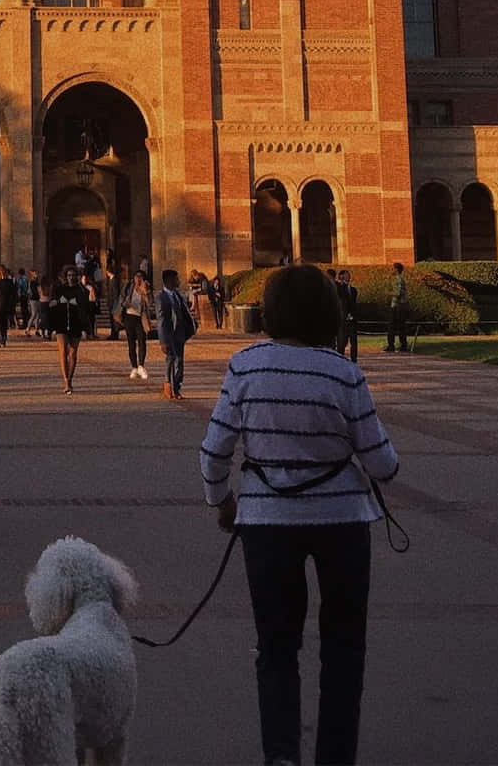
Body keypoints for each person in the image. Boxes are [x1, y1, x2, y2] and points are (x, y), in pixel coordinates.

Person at [200, 264, 400, 766]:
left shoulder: (245, 366)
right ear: (329, 313)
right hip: (343, 524)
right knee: (344, 648)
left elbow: (214, 452)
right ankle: (335, 757)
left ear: (271, 311)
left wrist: (222, 502)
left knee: (276, 647)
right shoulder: (344, 371)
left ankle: (282, 756)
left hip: (267, 525)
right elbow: (382, 463)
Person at [155, 268, 196, 400]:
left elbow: (185, 313)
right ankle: (168, 385)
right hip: (169, 334)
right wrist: (162, 340)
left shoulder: (178, 295)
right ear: (169, 280)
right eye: (176, 279)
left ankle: (176, 387)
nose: (178, 281)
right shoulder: (161, 298)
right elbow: (161, 320)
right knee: (171, 360)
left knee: (179, 361)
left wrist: (192, 327)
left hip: (180, 333)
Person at [49, 269, 88, 394]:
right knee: (63, 351)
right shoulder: (60, 289)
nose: (71, 277)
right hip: (61, 323)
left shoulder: (81, 291)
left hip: (76, 324)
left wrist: (86, 328)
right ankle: (65, 381)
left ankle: (70, 379)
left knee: (72, 353)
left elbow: (85, 310)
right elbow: (52, 304)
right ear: (66, 276)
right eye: (69, 275)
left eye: (73, 275)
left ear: (76, 277)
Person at [119, 268, 155, 381]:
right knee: (131, 342)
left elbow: (150, 303)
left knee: (142, 341)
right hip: (129, 316)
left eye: (140, 277)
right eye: (136, 276)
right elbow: (122, 299)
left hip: (141, 317)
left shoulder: (146, 288)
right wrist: (125, 304)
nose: (138, 279)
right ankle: (134, 367)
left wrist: (146, 291)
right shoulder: (129, 287)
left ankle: (141, 365)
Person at [333, 270, 358, 362]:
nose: (348, 276)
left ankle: (354, 359)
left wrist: (353, 314)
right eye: (346, 275)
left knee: (354, 340)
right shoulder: (339, 288)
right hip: (343, 318)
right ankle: (340, 358)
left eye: (349, 275)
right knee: (342, 341)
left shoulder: (353, 290)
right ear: (341, 276)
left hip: (352, 318)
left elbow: (353, 304)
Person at [386, 262, 410, 353]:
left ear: (396, 270)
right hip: (399, 305)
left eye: (392, 269)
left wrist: (389, 293)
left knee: (392, 326)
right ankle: (403, 345)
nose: (391, 270)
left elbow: (398, 293)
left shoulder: (398, 279)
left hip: (397, 305)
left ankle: (392, 345)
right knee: (401, 326)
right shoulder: (399, 279)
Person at [0, 264, 17, 347]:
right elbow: (14, 295)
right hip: (7, 305)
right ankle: (3, 339)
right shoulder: (10, 283)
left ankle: (0, 340)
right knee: (4, 323)